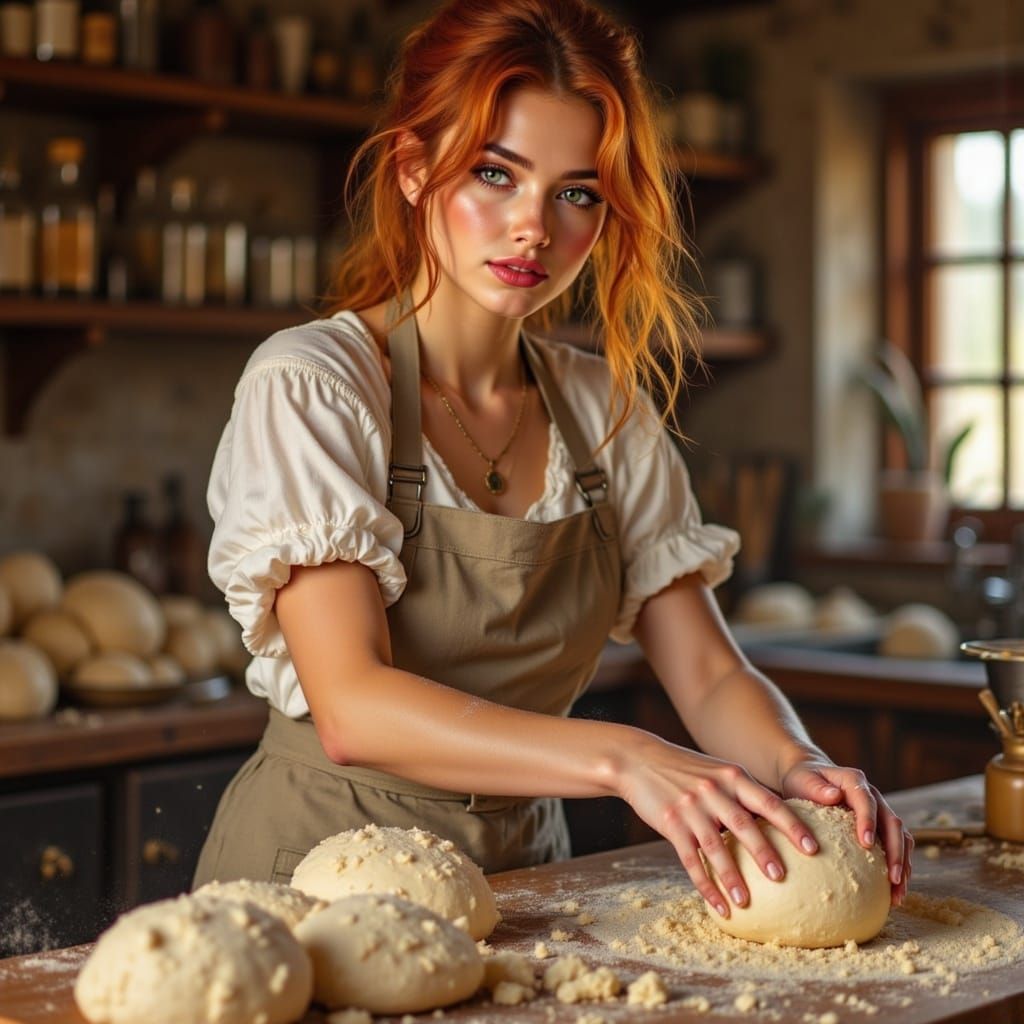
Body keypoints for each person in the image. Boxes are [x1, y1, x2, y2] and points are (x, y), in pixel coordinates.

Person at [192, 0, 912, 918]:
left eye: (576, 192)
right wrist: (625, 757)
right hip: (315, 879)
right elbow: (352, 706)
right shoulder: (316, 385)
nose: (533, 227)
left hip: (526, 882)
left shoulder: (603, 408)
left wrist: (798, 763)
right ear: (413, 171)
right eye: (496, 175)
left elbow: (709, 671)